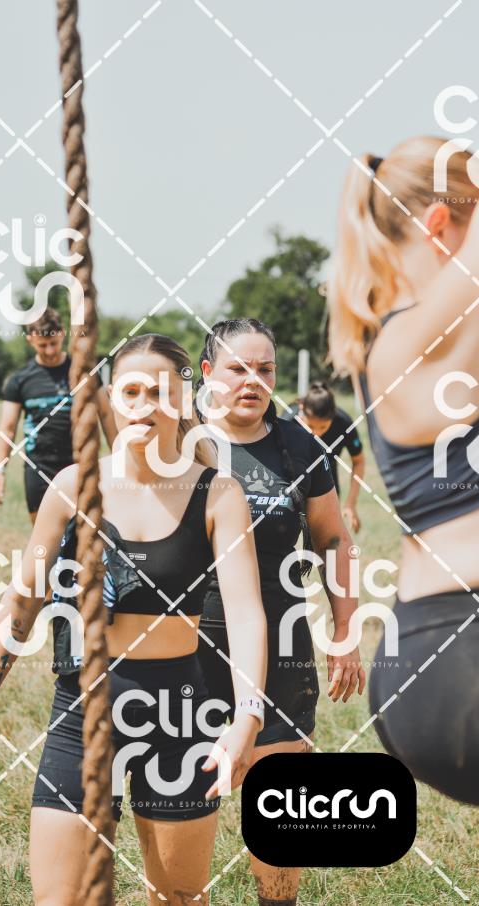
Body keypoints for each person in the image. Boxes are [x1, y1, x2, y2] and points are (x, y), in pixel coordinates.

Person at [0, 333, 268, 905]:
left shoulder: (217, 494)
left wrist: (247, 716)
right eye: (131, 391)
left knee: (179, 898)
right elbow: (20, 604)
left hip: (180, 716)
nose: (145, 404)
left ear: (185, 400)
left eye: (161, 392)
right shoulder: (70, 487)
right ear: (110, 400)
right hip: (82, 710)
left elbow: (247, 615)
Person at [328, 136, 479, 805]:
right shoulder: (406, 345)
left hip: (437, 650)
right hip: (458, 648)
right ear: (440, 224)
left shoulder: (413, 341)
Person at [195, 318, 366, 906]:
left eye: (264, 369)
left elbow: (333, 539)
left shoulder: (299, 446)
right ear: (208, 372)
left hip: (280, 643)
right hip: (185, 645)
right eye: (238, 368)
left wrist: (345, 630)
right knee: (182, 800)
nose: (253, 381)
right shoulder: (180, 441)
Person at [0, 306, 117, 523]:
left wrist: (119, 458)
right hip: (39, 467)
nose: (49, 351)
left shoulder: (84, 372)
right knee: (44, 534)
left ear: (62, 334)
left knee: (84, 531)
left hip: (80, 463)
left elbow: (106, 414)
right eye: (42, 345)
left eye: (53, 343)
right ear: (30, 340)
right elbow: (7, 428)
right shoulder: (19, 380)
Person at [285, 381, 365, 532]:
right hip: (292, 482)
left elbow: (358, 461)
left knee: (325, 535)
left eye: (323, 427)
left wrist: (350, 503)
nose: (316, 433)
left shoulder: (344, 423)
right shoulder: (288, 420)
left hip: (327, 482)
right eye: (311, 426)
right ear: (302, 409)